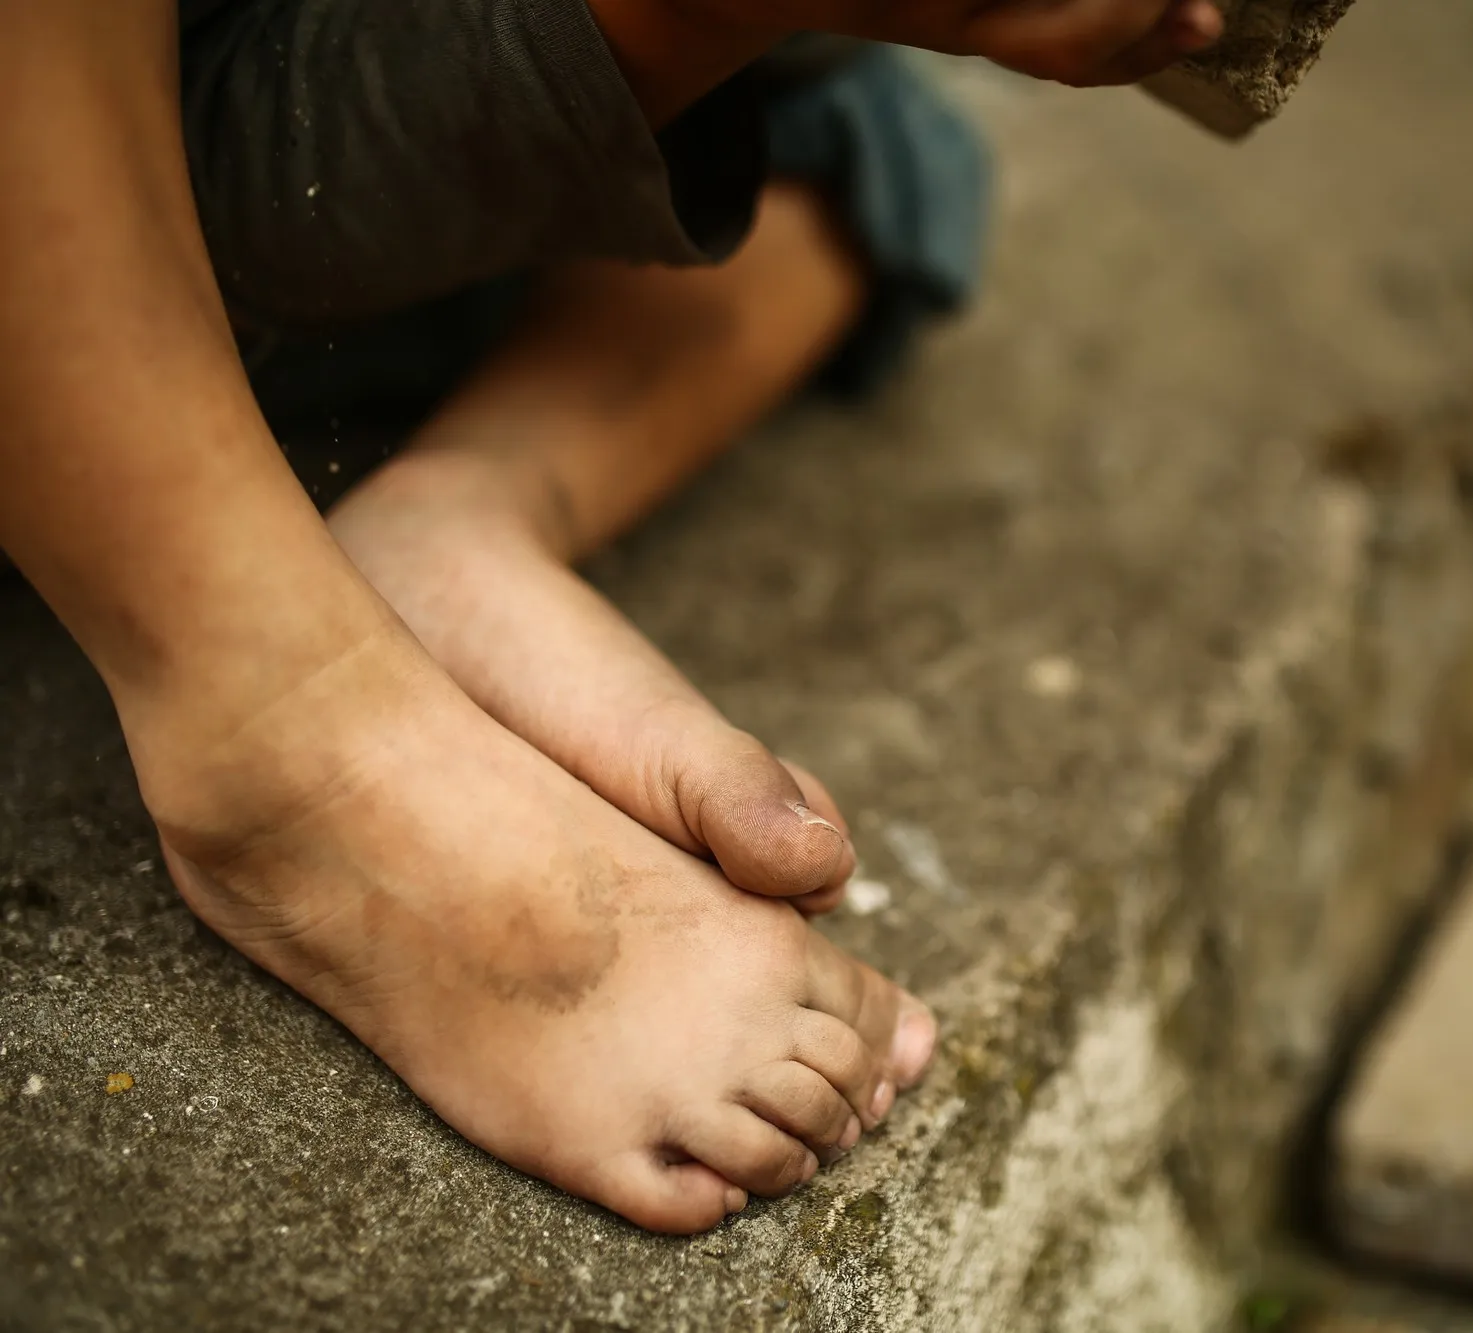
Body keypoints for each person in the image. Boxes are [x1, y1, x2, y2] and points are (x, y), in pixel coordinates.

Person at [0, 0, 1222, 1233]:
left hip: (325, 218)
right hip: (85, 246)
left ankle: (464, 508)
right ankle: (277, 714)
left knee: (863, 134)